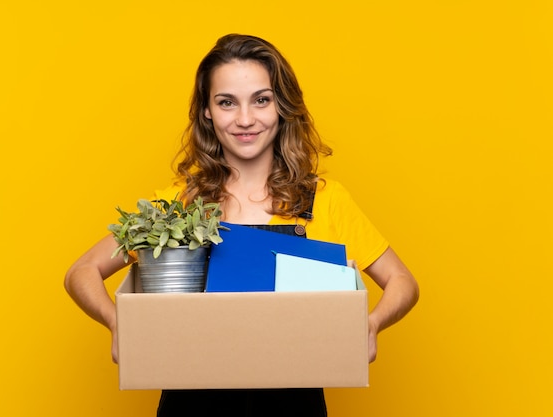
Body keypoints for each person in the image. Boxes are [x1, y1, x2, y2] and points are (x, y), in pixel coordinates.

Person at [65, 33, 419, 417]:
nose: (246, 119)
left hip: (295, 401)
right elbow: (81, 271)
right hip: (192, 402)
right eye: (227, 103)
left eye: (261, 100)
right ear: (207, 112)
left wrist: (370, 324)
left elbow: (404, 283)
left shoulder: (324, 200)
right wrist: (121, 325)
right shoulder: (178, 204)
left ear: (281, 107)